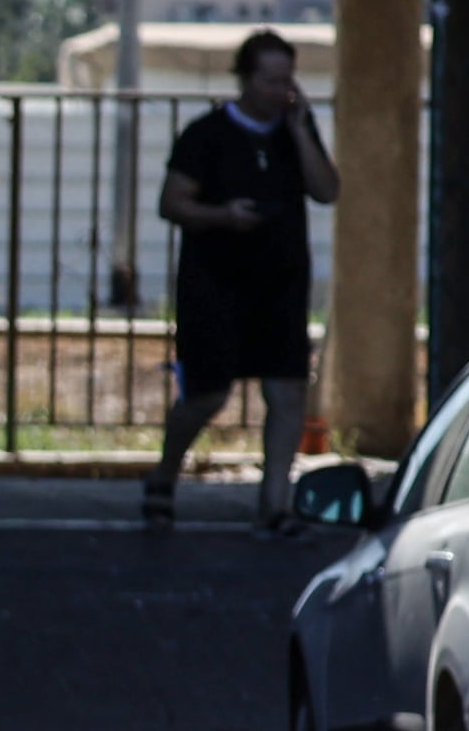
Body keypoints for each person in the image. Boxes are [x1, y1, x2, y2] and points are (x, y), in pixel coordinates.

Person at [144, 28, 338, 533]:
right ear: (247, 80)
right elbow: (172, 202)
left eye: (287, 79)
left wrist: (299, 130)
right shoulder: (206, 135)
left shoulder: (295, 130)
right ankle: (164, 477)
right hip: (216, 281)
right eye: (272, 80)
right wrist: (224, 216)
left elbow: (326, 189)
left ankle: (274, 504)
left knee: (288, 392)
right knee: (206, 395)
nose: (281, 90)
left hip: (280, 282)